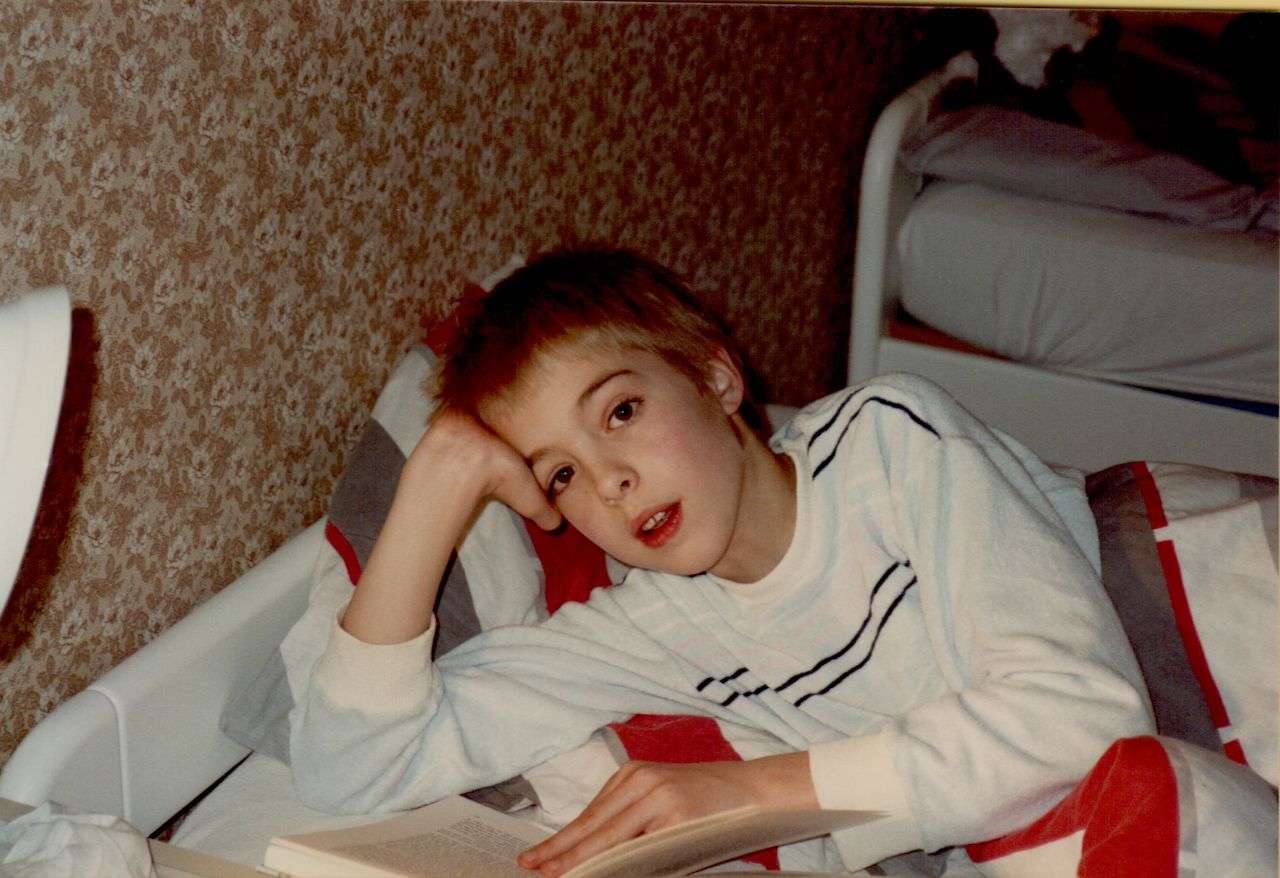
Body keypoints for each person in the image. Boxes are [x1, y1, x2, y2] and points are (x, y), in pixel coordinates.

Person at [287, 245, 1153, 876]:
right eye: (561, 473)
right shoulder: (651, 628)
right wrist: (433, 490)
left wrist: (751, 793)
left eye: (620, 411)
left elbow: (1088, 720)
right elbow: (349, 769)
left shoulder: (889, 443)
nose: (612, 480)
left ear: (715, 378)